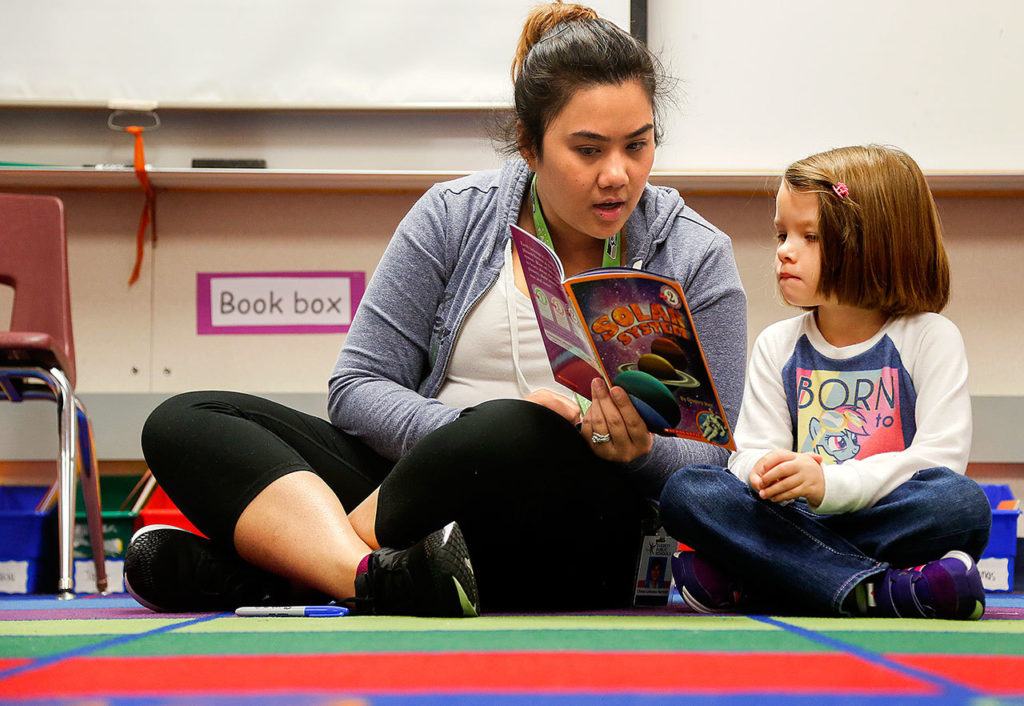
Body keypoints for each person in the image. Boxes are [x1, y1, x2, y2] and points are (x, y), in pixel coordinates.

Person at [123, 2, 746, 616]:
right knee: (184, 419)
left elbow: (710, 456)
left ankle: (288, 569)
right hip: (413, 488)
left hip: (577, 527)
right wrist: (460, 438)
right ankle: (370, 578)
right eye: (588, 150)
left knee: (521, 429)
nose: (618, 174)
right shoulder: (453, 215)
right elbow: (356, 386)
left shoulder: (695, 253)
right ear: (529, 145)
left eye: (638, 145)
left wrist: (634, 451)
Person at [660, 145, 992, 620]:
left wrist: (829, 483)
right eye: (781, 234)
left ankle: (772, 578)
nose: (783, 251)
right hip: (795, 517)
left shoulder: (929, 337)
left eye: (809, 236)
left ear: (875, 243)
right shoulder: (779, 344)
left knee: (961, 505)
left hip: (881, 515)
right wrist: (766, 470)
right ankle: (883, 590)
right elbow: (749, 450)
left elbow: (939, 460)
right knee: (688, 490)